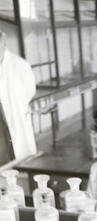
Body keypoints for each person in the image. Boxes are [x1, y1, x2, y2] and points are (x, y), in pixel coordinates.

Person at [0, 31, 37, 163]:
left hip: (16, 119)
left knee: (21, 159)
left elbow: (29, 92)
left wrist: (15, 105)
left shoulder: (20, 65)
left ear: (3, 40)